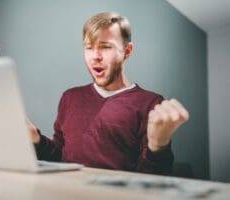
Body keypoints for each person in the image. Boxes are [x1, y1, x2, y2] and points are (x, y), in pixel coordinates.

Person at [27, 12, 189, 174]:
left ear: (127, 51)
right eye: (89, 47)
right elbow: (59, 158)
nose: (95, 56)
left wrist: (158, 146)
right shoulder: (70, 98)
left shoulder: (150, 104)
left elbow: (151, 183)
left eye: (105, 47)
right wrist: (36, 139)